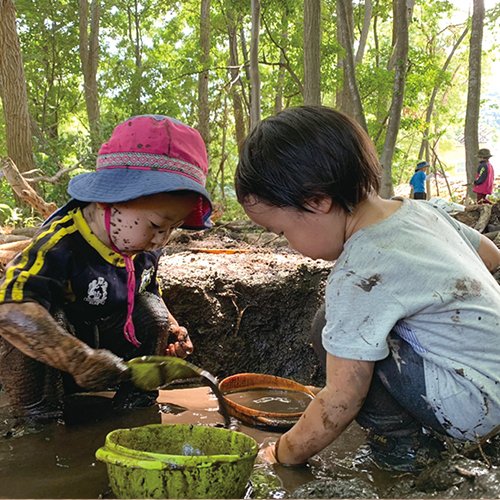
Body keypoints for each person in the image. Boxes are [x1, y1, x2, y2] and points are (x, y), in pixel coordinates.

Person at [234, 106, 500, 472]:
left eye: (282, 232)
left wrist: (282, 453)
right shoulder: (423, 213)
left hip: (477, 410)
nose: (288, 243)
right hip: (492, 378)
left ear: (316, 201)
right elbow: (489, 256)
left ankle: (403, 451)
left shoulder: (359, 272)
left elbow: (342, 399)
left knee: (330, 328)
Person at [0, 115, 212, 423]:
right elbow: (11, 308)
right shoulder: (61, 242)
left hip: (112, 354)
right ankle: (39, 424)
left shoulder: (143, 246)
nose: (161, 239)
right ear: (106, 201)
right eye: (156, 225)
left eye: (173, 228)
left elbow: (147, 289)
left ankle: (136, 405)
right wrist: (77, 359)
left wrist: (173, 329)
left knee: (153, 311)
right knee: (45, 323)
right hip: (58, 359)